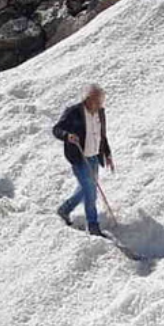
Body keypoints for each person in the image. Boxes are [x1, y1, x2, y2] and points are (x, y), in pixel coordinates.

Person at [52, 85, 115, 236]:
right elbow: (57, 129)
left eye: (101, 102)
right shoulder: (73, 112)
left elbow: (102, 135)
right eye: (98, 102)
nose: (101, 105)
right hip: (79, 157)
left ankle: (64, 210)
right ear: (88, 100)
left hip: (94, 157)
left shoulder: (100, 112)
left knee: (84, 189)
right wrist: (68, 136)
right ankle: (93, 226)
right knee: (91, 192)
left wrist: (107, 154)